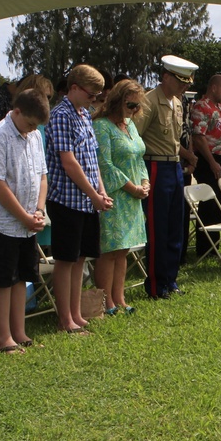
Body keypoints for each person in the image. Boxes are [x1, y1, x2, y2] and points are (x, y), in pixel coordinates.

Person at [0, 89, 50, 352]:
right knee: (2, 278)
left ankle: (19, 331)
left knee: (22, 277)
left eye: (36, 126)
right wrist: (24, 216)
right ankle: (3, 337)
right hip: (0, 222)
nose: (32, 129)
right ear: (16, 111)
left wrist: (39, 210)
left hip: (28, 221)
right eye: (30, 123)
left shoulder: (34, 136)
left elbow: (42, 175)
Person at [46, 65, 112, 333]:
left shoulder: (84, 114)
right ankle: (65, 319)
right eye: (91, 93)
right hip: (65, 200)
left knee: (81, 258)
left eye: (97, 95)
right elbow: (69, 162)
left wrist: (102, 191)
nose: (94, 99)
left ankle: (76, 312)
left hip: (87, 200)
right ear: (74, 88)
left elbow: (92, 158)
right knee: (66, 260)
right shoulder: (60, 115)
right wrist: (93, 195)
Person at [135, 55, 197, 297]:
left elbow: (174, 140)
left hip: (174, 167)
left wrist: (187, 157)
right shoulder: (149, 102)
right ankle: (156, 284)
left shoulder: (178, 102)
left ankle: (171, 280)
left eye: (187, 82)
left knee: (175, 229)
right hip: (155, 168)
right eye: (180, 81)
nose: (185, 86)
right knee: (158, 229)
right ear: (166, 77)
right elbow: (135, 138)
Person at [92, 80, 149, 316]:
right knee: (110, 249)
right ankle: (106, 302)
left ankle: (120, 298)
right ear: (118, 100)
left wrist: (144, 182)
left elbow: (139, 157)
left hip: (134, 195)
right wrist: (131, 188)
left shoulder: (130, 125)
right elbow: (104, 164)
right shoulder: (102, 126)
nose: (134, 109)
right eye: (131, 104)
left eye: (137, 105)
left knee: (124, 249)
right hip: (115, 195)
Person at [0, 75, 53, 199]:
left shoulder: (35, 131)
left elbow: (41, 172)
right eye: (42, 96)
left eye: (48, 97)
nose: (45, 101)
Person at [189, 74, 221, 259]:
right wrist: (212, 161)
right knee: (209, 204)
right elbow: (199, 137)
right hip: (209, 161)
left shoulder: (220, 108)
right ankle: (205, 249)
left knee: (220, 202)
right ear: (214, 87)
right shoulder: (201, 107)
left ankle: (213, 246)